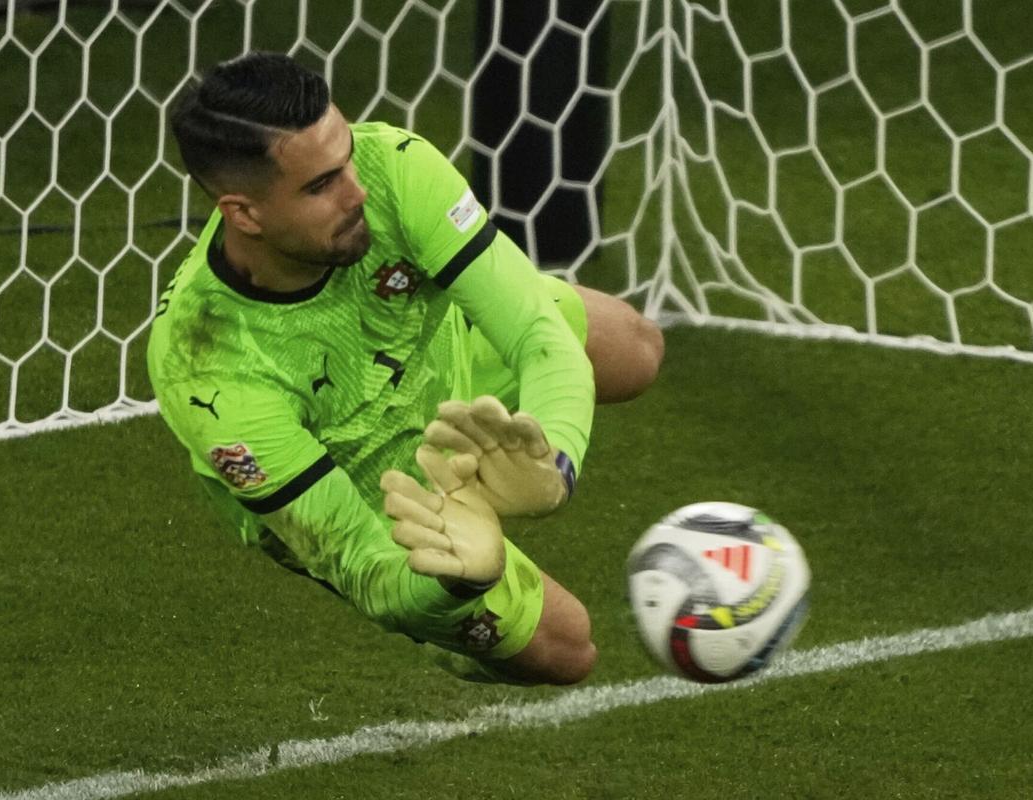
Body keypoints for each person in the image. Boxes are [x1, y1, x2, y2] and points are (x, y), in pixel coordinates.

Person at [147, 52, 663, 686]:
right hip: (362, 467)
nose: (356, 192)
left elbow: (537, 333)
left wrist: (555, 462)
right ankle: (447, 635)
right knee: (568, 651)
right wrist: (452, 581)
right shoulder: (206, 371)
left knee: (636, 348)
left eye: (346, 159)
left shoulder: (393, 165)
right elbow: (363, 567)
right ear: (245, 214)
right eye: (320, 185)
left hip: (441, 355)